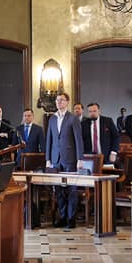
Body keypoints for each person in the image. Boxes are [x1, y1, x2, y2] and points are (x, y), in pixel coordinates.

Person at [45, 92, 84, 228]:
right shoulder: (52, 119)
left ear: (67, 102)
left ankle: (71, 218)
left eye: (61, 100)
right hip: (55, 159)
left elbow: (78, 140)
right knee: (59, 190)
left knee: (71, 190)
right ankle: (62, 217)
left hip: (70, 159)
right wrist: (48, 159)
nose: (58, 102)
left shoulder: (73, 118)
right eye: (57, 100)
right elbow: (49, 139)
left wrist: (80, 159)